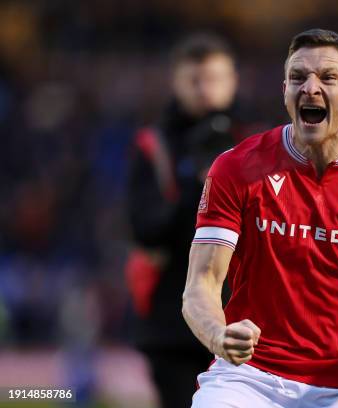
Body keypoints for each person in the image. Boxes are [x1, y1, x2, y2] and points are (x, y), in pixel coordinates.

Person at [182, 29, 338, 407]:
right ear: (285, 90)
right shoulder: (236, 168)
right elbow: (201, 282)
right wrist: (218, 335)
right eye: (298, 77)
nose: (310, 87)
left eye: (328, 78)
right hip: (248, 378)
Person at [126, 33, 252, 408]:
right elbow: (145, 232)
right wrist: (195, 186)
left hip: (243, 317)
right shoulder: (154, 146)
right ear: (176, 82)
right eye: (194, 79)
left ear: (233, 82)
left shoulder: (257, 144)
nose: (204, 89)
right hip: (171, 324)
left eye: (214, 79)